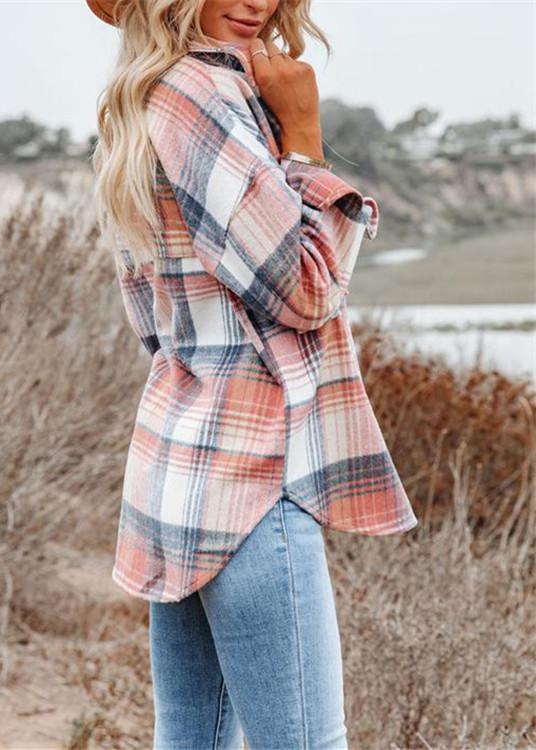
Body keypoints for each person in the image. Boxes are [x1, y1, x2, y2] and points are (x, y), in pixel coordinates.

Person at [86, 1, 419, 747]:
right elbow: (305, 290)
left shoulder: (152, 97)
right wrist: (304, 140)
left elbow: (153, 323)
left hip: (181, 463)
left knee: (191, 738)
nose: (254, 3)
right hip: (252, 474)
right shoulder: (205, 97)